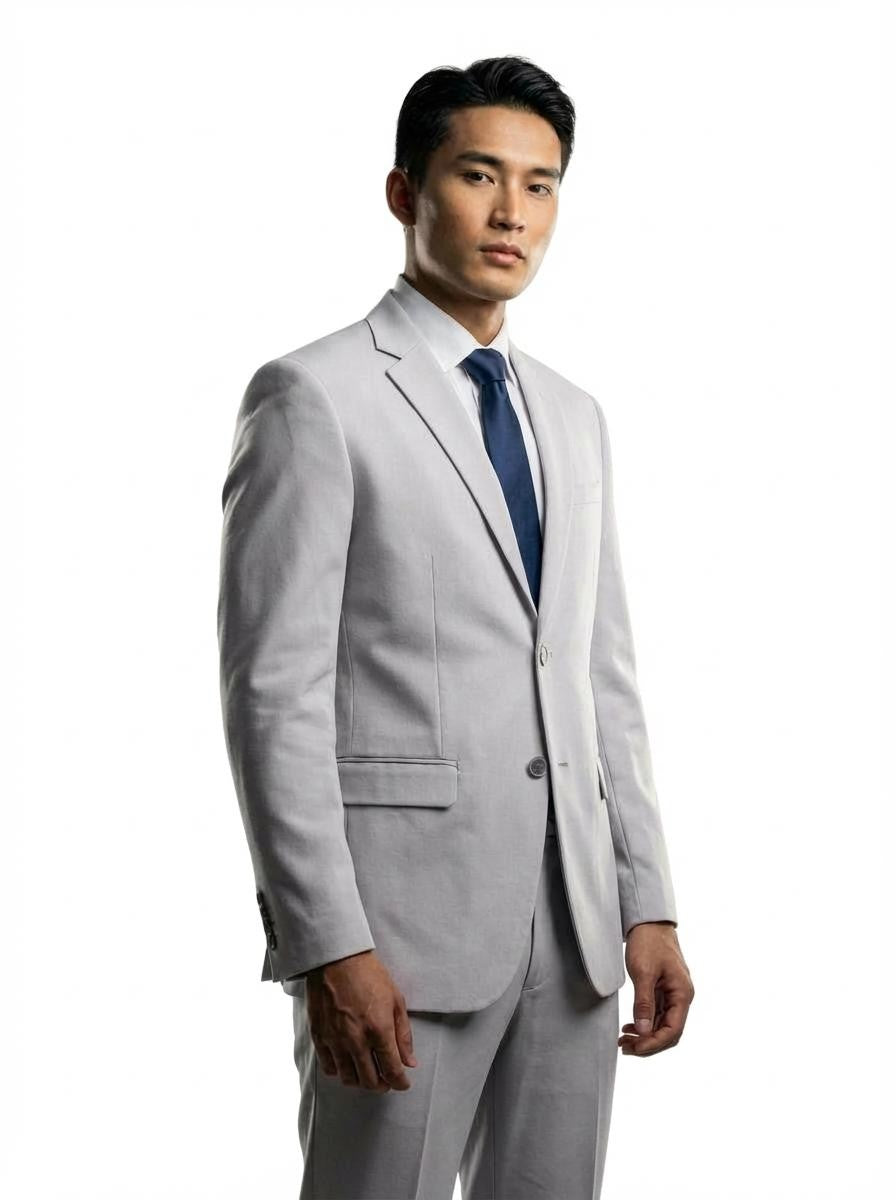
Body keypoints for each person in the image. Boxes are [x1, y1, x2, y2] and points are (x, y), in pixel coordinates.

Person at [217, 54, 694, 1200]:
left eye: (539, 184)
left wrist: (646, 901)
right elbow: (273, 694)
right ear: (404, 191)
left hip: (574, 931)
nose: (510, 212)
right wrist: (327, 941)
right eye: (478, 176)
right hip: (399, 932)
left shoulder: (572, 417)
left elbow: (600, 676)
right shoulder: (314, 396)